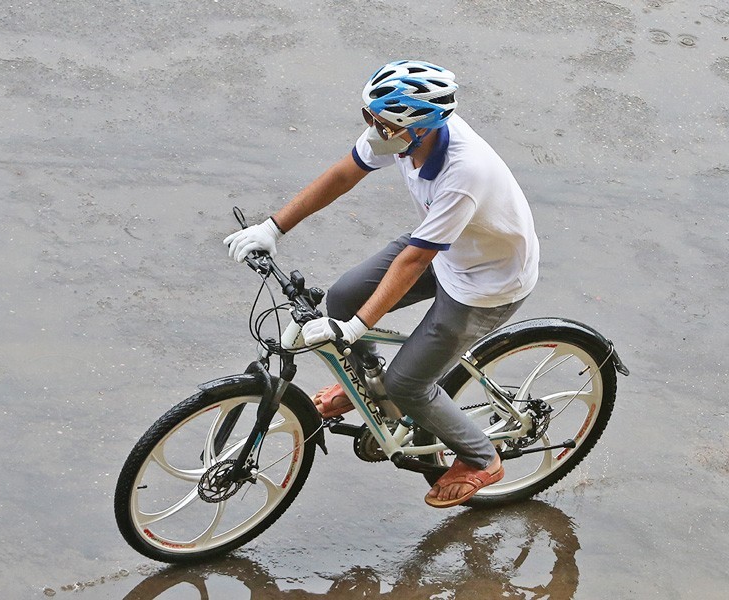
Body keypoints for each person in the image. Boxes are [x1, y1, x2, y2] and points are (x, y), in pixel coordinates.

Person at [223, 60, 539, 508]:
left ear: (419, 126)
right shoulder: (403, 134)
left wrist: (354, 329)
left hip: (484, 283)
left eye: (381, 122)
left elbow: (414, 260)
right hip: (445, 243)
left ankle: (481, 457)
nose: (372, 129)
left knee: (408, 385)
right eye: (369, 116)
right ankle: (367, 386)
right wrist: (273, 227)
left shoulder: (465, 172)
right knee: (343, 297)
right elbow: (343, 173)